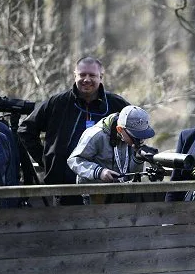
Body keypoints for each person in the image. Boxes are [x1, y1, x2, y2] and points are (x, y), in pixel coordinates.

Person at [18, 56, 130, 205]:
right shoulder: (57, 103)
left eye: (92, 75)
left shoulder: (117, 105)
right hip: (64, 185)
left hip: (106, 185)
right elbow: (26, 130)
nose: (87, 79)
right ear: (75, 75)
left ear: (101, 77)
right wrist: (46, 159)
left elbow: (134, 133)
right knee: (64, 228)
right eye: (82, 75)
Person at [67, 105, 155, 204]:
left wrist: (137, 159)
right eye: (135, 136)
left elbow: (131, 176)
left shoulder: (132, 140)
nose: (141, 140)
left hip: (124, 196)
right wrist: (99, 172)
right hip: (96, 197)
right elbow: (74, 160)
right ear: (119, 129)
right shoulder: (95, 135)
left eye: (142, 135)